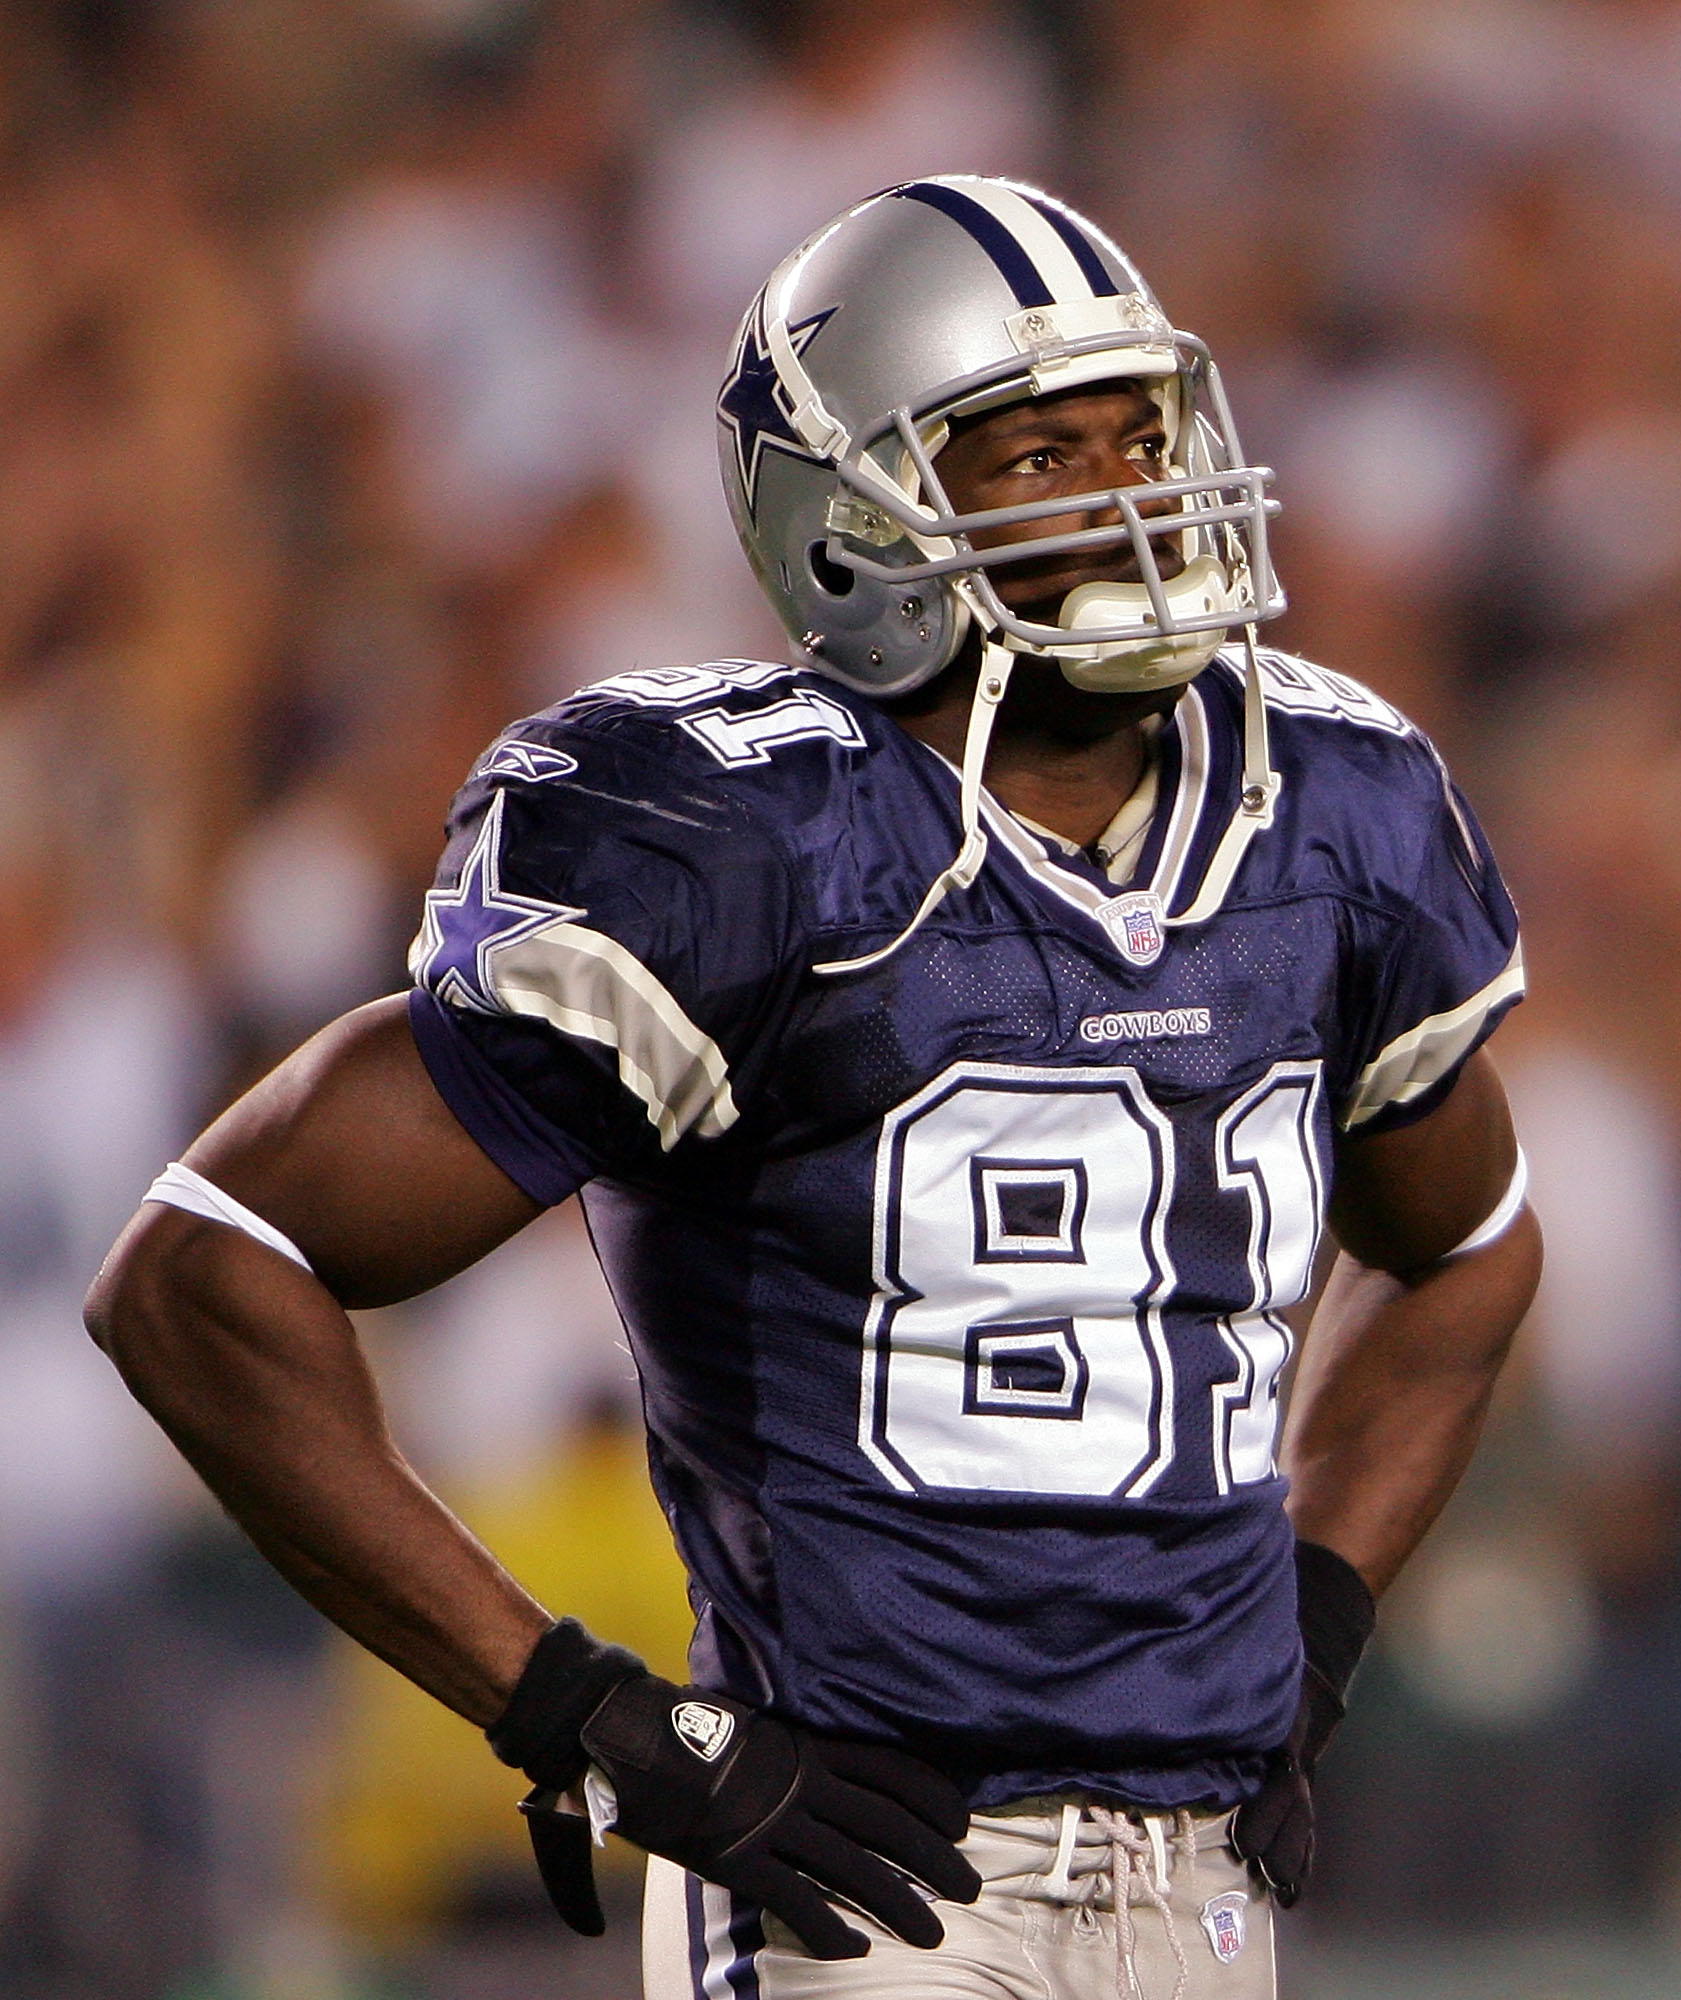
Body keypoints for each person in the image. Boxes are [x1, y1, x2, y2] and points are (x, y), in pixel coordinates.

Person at [87, 175, 1541, 1999]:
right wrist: (587, 1713)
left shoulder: (1333, 807)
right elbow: (202, 1269)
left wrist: (1312, 1622)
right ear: (853, 519)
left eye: (1140, 434)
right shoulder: (738, 841)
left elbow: (1467, 1247)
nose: (1132, 498)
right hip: (868, 1883)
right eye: (1034, 454)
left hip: (1203, 1876)